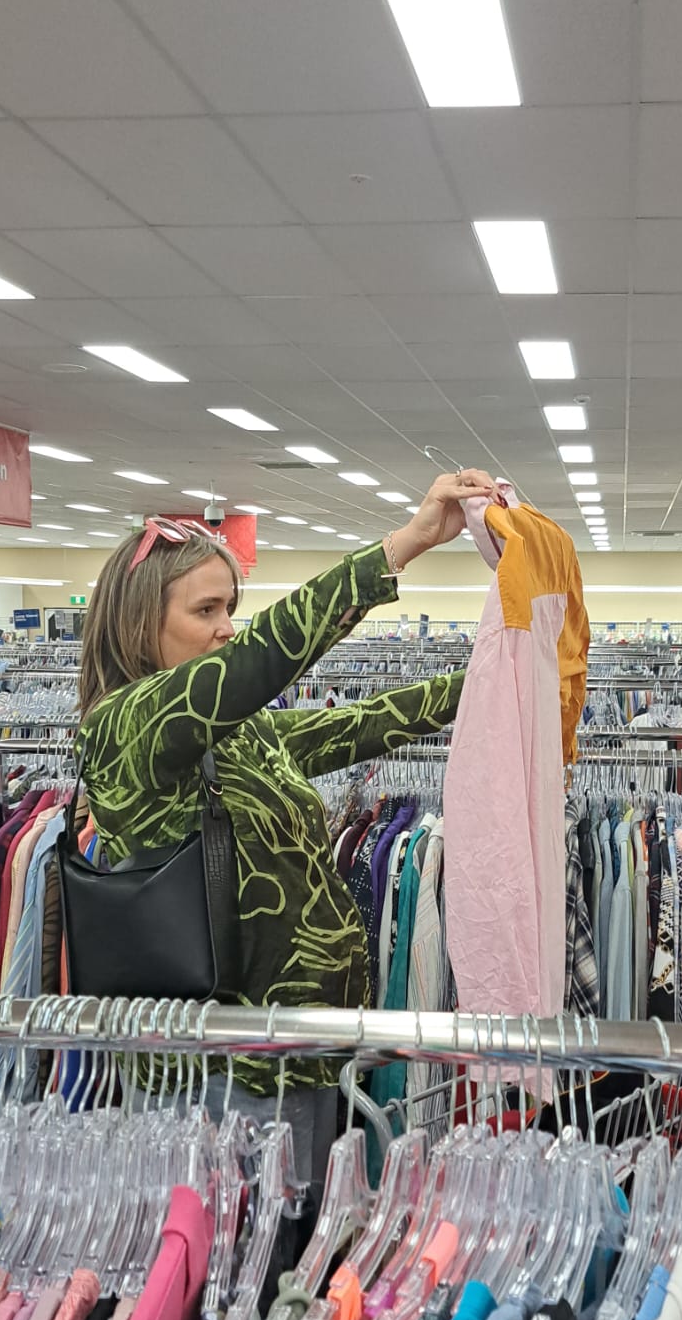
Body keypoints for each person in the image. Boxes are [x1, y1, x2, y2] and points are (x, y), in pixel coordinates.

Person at [76, 469, 495, 1181]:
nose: (225, 627)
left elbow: (356, 726)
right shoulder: (126, 730)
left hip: (294, 1056)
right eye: (205, 610)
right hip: (216, 1071)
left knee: (295, 1243)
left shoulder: (233, 735)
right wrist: (407, 543)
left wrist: (491, 679)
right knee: (235, 1258)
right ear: (140, 622)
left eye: (230, 608)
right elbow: (262, 657)